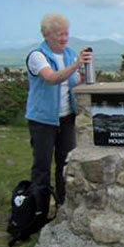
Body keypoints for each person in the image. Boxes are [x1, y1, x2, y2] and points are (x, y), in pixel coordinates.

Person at [25, 14, 93, 204]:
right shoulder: (37, 56)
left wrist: (87, 72)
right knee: (42, 167)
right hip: (42, 121)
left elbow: (74, 80)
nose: (64, 38)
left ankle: (63, 209)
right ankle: (38, 211)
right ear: (46, 35)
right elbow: (51, 78)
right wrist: (76, 65)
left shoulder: (70, 54)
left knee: (66, 164)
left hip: (66, 119)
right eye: (59, 35)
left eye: (66, 34)